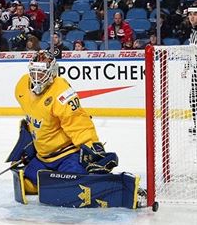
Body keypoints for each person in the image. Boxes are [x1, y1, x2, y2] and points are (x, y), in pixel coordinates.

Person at [9, 50, 143, 209]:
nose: (37, 78)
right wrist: (28, 141)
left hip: (67, 154)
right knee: (27, 183)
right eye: (35, 72)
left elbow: (78, 123)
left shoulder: (61, 92)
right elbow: (34, 117)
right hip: (43, 156)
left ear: (52, 72)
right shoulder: (21, 88)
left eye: (42, 73)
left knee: (76, 183)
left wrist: (93, 148)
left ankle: (112, 185)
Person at [182, 7, 197, 134]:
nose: (192, 17)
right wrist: (186, 68)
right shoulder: (192, 33)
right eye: (190, 14)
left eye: (195, 14)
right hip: (195, 72)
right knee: (193, 99)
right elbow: (192, 53)